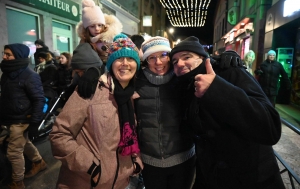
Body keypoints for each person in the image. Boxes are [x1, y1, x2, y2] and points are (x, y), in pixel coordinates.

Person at [169, 36, 285, 189]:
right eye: (175, 61)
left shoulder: (230, 71)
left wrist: (217, 88)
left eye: (187, 57)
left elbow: (270, 126)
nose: (180, 64)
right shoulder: (186, 87)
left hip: (252, 180)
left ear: (203, 58)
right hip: (213, 179)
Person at [49, 34, 143, 189]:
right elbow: (59, 135)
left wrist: (135, 163)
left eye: (131, 59)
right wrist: (91, 167)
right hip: (86, 182)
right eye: (119, 58)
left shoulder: (134, 95)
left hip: (121, 183)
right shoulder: (91, 90)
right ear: (111, 63)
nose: (125, 63)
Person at [133, 36, 196, 189]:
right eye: (152, 57)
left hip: (183, 158)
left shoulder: (184, 79)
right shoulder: (136, 81)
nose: (158, 62)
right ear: (145, 60)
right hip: (150, 162)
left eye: (163, 55)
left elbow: (205, 67)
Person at [0, 44, 47, 189]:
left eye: (8, 55)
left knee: (14, 152)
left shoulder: (30, 76)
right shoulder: (7, 74)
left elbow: (39, 99)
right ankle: (39, 162)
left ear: (18, 56)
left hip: (21, 119)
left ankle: (18, 182)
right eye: (4, 53)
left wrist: (34, 123)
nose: (4, 57)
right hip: (10, 117)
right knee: (23, 142)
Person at [76, 0, 123, 65]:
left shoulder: (112, 37)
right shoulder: (84, 42)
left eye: (100, 25)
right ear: (87, 28)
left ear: (104, 25)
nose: (97, 29)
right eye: (92, 26)